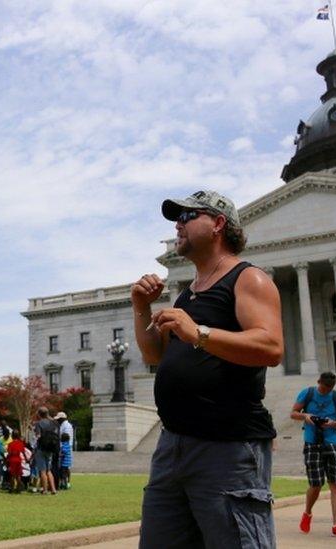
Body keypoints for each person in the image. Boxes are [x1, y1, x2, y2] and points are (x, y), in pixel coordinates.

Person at [133, 190, 282, 548]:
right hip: (173, 446)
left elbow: (271, 346)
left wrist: (197, 332)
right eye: (176, 218)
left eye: (187, 216)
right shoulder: (188, 294)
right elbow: (156, 355)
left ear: (217, 224)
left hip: (227, 447)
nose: (177, 224)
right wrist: (140, 308)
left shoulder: (248, 279)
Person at [291, 372, 336, 539]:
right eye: (324, 388)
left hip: (332, 442)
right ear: (318, 382)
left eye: (329, 389)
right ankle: (307, 513)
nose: (326, 391)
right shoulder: (307, 393)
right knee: (316, 484)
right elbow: (293, 413)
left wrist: (333, 423)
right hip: (312, 442)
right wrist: (306, 416)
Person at [33, 407, 59, 495]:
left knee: (42, 471)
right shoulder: (53, 423)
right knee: (49, 470)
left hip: (41, 448)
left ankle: (44, 489)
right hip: (50, 448)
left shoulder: (38, 423)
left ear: (39, 414)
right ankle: (53, 489)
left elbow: (38, 436)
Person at [5, 429, 26, 494]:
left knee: (12, 475)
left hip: (12, 460)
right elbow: (23, 452)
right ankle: (18, 489)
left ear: (12, 436)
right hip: (18, 460)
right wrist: (26, 459)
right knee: (18, 475)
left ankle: (11, 488)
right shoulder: (21, 443)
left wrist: (6, 459)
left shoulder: (10, 444)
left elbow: (9, 453)